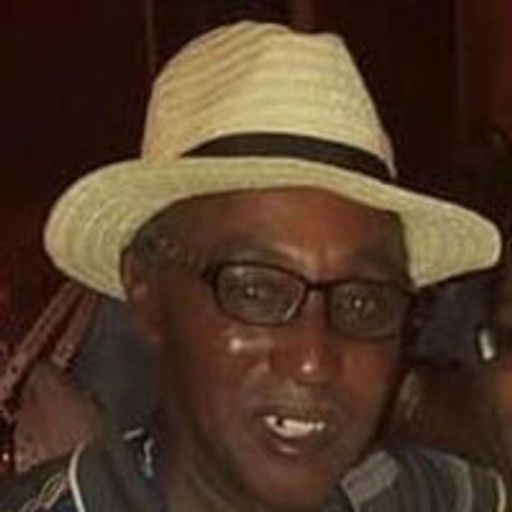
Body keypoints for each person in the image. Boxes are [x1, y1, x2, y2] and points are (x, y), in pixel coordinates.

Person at [0, 21, 507, 511]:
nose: (313, 360)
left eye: (362, 302)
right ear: (146, 290)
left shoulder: (386, 492)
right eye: (256, 291)